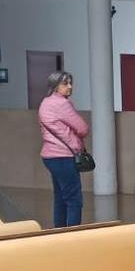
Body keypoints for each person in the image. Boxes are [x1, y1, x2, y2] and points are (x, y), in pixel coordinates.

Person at [38, 71, 89, 227]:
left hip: (49, 156)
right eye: (65, 83)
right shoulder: (62, 104)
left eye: (70, 83)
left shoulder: (45, 103)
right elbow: (83, 128)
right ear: (55, 86)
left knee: (60, 197)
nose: (70, 87)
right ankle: (73, 235)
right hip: (64, 156)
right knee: (74, 199)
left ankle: (59, 233)